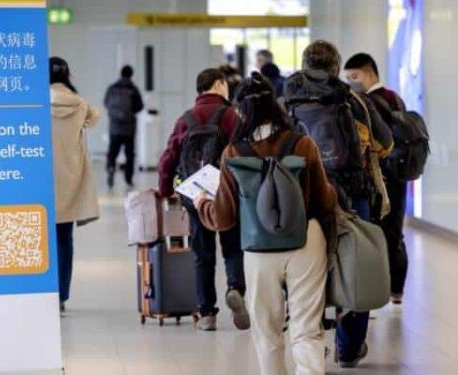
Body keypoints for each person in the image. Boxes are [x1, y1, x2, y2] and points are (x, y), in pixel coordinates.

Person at [193, 72, 338, 375]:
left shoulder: (234, 153)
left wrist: (202, 205)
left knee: (268, 332)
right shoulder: (304, 144)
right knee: (307, 328)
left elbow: (223, 218)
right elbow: (325, 202)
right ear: (275, 105)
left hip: (259, 249)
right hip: (306, 241)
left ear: (241, 111)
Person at [284, 40, 393, 368]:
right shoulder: (353, 100)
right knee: (354, 266)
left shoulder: (285, 102)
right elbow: (385, 144)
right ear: (336, 68)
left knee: (306, 272)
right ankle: (348, 348)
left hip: (301, 197)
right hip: (350, 197)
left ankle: (313, 344)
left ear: (304, 65)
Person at [158, 68, 249, 332]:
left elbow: (168, 158)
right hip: (227, 193)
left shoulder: (185, 119)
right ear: (219, 85)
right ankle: (235, 288)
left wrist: (165, 190)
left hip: (195, 195)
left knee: (203, 254)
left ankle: (207, 313)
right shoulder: (232, 116)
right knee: (232, 247)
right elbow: (244, 152)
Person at [344, 52, 409, 305]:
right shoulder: (396, 99)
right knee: (395, 231)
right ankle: (397, 292)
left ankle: (375, 294)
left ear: (370, 74)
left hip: (378, 176)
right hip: (400, 174)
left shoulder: (366, 103)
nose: (351, 82)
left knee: (372, 234)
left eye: (354, 76)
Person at [49, 57, 102, 312]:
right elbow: (94, 118)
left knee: (40, 237)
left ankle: (41, 291)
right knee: (63, 238)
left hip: (41, 178)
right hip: (70, 176)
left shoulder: (35, 102)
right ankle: (61, 295)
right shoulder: (79, 103)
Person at [104, 65, 144, 189]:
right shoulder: (133, 89)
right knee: (129, 154)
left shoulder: (112, 88)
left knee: (112, 152)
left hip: (115, 127)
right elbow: (139, 106)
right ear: (131, 75)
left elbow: (106, 103)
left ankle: (111, 168)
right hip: (129, 128)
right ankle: (128, 178)